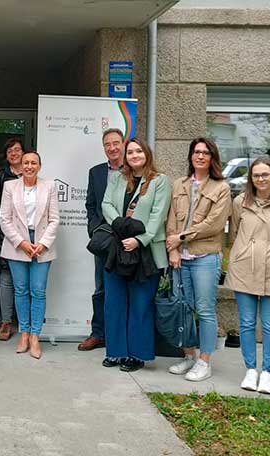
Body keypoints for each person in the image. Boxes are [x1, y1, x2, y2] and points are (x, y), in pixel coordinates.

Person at [225, 157, 270, 394]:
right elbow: (234, 232)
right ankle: (250, 370)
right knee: (246, 323)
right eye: (256, 175)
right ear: (251, 179)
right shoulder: (240, 202)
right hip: (245, 268)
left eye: (265, 174)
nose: (261, 179)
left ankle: (267, 373)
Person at [100, 138, 170, 372]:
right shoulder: (119, 178)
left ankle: (137, 355)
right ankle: (116, 352)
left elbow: (158, 215)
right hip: (117, 247)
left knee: (140, 305)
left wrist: (140, 240)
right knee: (114, 303)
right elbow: (106, 204)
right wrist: (119, 224)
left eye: (138, 151)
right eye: (130, 152)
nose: (134, 155)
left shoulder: (160, 181)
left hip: (146, 252)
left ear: (147, 153)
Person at [165, 137, 231, 382]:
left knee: (204, 310)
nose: (200, 156)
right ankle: (189, 356)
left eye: (205, 152)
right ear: (191, 156)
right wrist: (172, 248)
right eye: (196, 152)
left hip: (205, 257)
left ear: (212, 157)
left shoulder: (221, 187)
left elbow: (213, 224)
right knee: (183, 308)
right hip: (180, 256)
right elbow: (170, 218)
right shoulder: (179, 184)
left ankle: (205, 361)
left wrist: (180, 237)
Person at [0, 151, 60, 360]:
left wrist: (42, 243)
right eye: (26, 162)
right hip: (17, 243)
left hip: (42, 243)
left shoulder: (49, 186)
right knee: (21, 290)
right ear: (20, 165)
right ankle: (23, 334)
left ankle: (35, 336)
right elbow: (4, 218)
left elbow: (54, 219)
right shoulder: (10, 186)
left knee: (38, 291)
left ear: (39, 166)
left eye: (33, 163)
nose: (29, 166)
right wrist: (22, 243)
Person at [81, 128, 125, 352]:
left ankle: (120, 336)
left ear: (123, 144)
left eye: (116, 143)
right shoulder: (96, 172)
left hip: (129, 240)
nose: (112, 148)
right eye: (108, 144)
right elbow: (90, 205)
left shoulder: (135, 170)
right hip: (104, 240)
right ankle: (98, 334)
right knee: (101, 288)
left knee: (125, 288)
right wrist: (94, 230)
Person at [0, 138, 24, 341]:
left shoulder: (31, 173)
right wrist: (5, 219)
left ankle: (26, 323)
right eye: (10, 151)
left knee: (25, 280)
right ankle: (7, 321)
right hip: (7, 234)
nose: (14, 153)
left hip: (29, 235)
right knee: (6, 278)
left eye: (17, 150)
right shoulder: (1, 176)